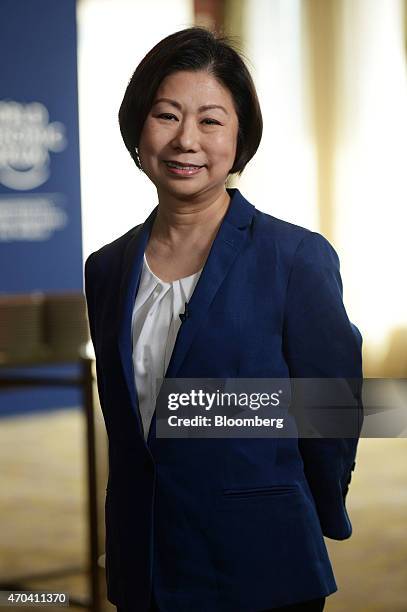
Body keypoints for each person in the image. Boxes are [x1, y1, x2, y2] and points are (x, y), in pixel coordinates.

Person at [84, 27, 363, 612]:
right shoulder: (106, 267)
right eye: (166, 116)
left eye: (211, 121)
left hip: (261, 560)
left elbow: (332, 412)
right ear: (138, 128)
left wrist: (291, 507)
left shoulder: (294, 257)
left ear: (240, 138)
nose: (186, 139)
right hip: (147, 561)